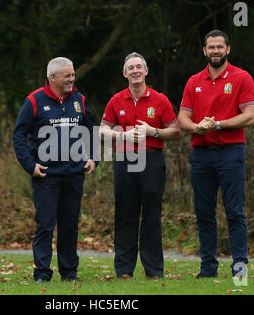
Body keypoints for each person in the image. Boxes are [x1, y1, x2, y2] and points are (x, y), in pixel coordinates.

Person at [178, 30, 254, 278]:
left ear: (228, 49)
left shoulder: (242, 77)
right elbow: (182, 117)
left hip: (230, 152)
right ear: (204, 51)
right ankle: (208, 269)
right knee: (204, 214)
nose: (215, 51)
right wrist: (196, 127)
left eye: (219, 47)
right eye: (211, 47)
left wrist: (218, 124)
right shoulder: (194, 81)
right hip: (201, 155)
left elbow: (251, 116)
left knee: (234, 212)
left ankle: (240, 269)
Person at [13, 57, 98, 283]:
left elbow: (92, 127)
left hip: (74, 175)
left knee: (70, 226)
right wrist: (30, 166)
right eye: (67, 76)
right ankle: (42, 273)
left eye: (72, 75)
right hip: (46, 176)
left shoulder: (79, 99)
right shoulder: (34, 101)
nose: (72, 79)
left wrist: (94, 158)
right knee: (45, 225)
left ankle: (69, 273)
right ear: (52, 78)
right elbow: (19, 136)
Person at [99, 52, 181, 279]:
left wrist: (153, 131)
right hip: (125, 161)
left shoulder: (160, 100)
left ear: (146, 71)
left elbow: (176, 131)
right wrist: (124, 135)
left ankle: (154, 271)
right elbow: (102, 131)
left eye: (139, 67)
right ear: (125, 74)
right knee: (125, 215)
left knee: (152, 216)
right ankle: (124, 270)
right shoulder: (116, 100)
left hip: (152, 160)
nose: (135, 71)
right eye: (130, 68)